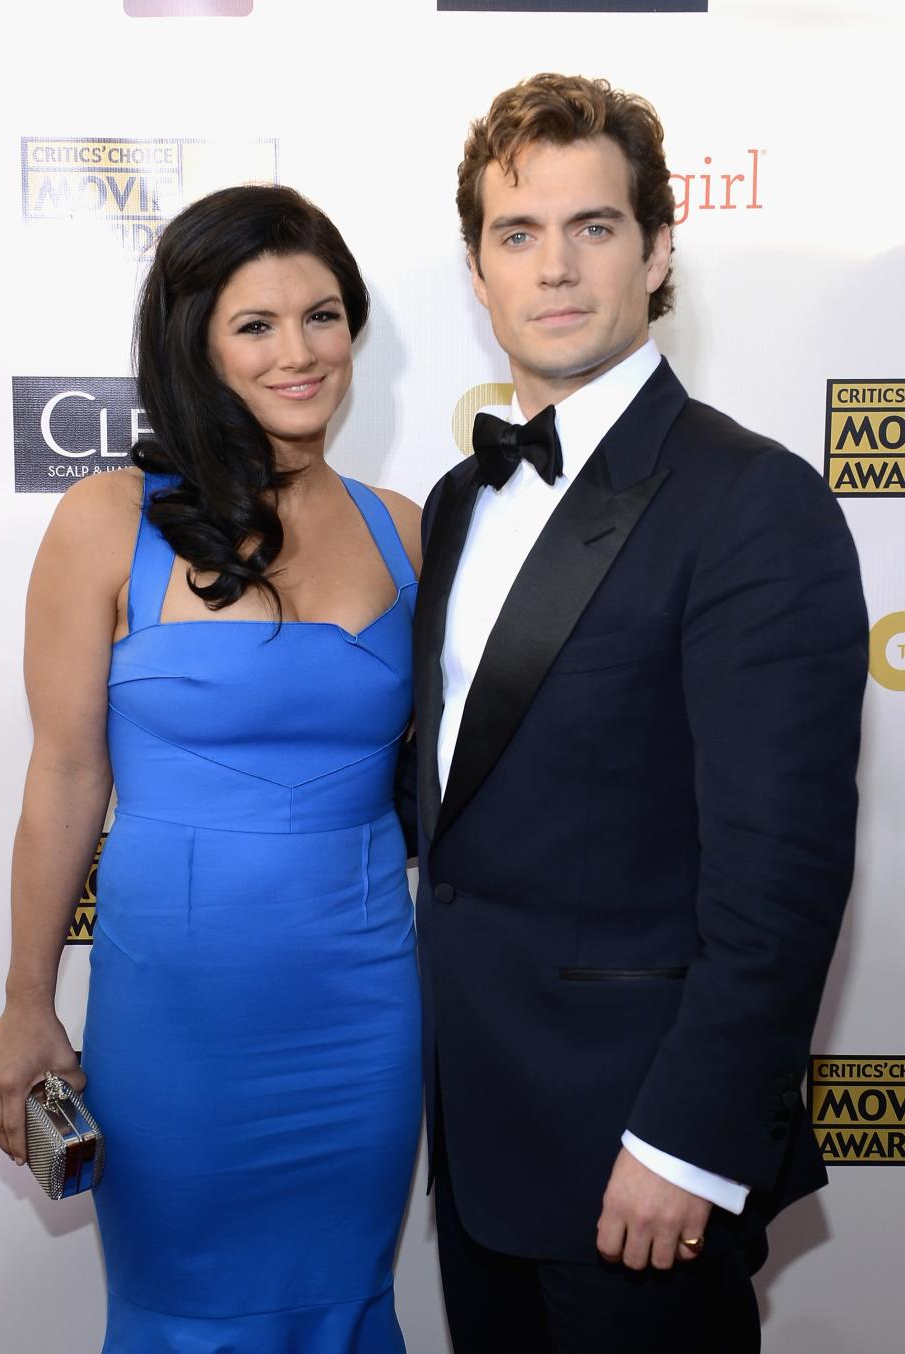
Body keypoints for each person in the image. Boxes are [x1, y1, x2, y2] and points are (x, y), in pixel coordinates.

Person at [407, 74, 869, 1353]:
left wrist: (691, 1139)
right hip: (483, 1144)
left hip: (639, 1159)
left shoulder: (752, 504)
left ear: (661, 250)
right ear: (477, 266)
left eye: (594, 228)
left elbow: (779, 878)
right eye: (518, 233)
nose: (555, 268)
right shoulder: (455, 503)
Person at [0, 184, 423, 1353]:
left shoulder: (404, 529)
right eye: (256, 324)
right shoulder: (108, 520)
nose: (300, 352)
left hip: (362, 1007)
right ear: (196, 344)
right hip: (177, 1012)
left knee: (344, 1303)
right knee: (184, 1313)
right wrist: (29, 1001)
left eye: (322, 316)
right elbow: (66, 776)